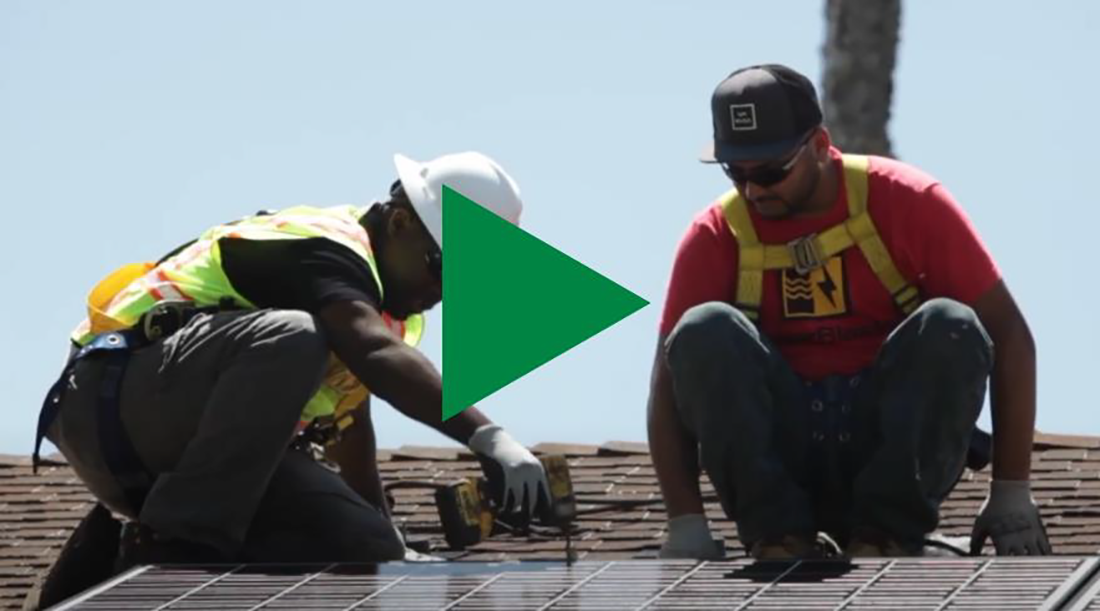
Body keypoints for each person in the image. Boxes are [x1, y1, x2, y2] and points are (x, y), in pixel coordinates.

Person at [36, 151, 550, 565]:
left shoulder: (382, 310)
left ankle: (105, 570)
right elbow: (372, 352)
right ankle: (176, 546)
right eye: (442, 267)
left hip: (195, 457)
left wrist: (386, 533)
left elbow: (351, 422)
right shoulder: (323, 248)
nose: (441, 292)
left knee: (364, 549)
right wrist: (488, 436)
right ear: (398, 223)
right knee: (292, 335)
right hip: (109, 402)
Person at [647, 64, 1050, 559]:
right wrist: (686, 523)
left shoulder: (908, 202)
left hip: (885, 446)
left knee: (951, 325)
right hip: (782, 453)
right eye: (736, 172)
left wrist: (1011, 493)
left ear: (819, 145)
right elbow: (667, 385)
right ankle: (779, 540)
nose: (753, 191)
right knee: (703, 329)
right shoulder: (715, 235)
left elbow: (1009, 336)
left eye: (771, 171)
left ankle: (883, 537)